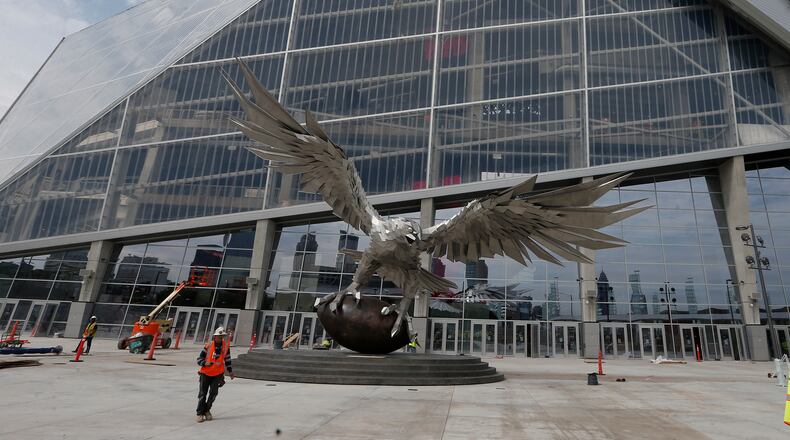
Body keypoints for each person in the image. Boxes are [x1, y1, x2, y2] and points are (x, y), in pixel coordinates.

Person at [196, 326, 234, 423]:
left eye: (222, 337)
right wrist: (204, 363)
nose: (221, 338)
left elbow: (228, 359)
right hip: (205, 373)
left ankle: (207, 410)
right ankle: (200, 413)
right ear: (214, 337)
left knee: (213, 393)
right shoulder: (208, 346)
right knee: (202, 394)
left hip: (217, 374)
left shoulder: (225, 347)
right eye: (219, 336)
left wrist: (230, 371)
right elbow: (199, 359)